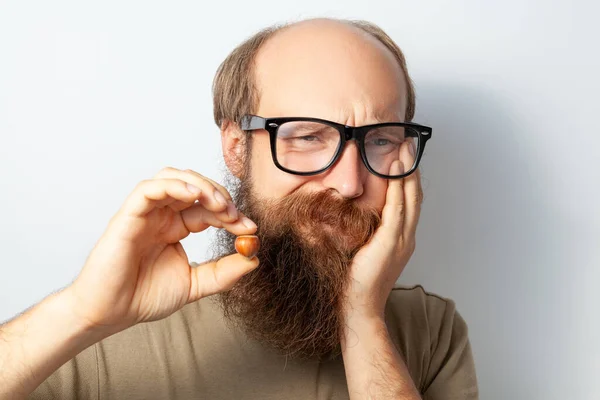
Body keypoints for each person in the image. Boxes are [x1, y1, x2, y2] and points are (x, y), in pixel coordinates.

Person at [0, 18, 478, 400]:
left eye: (380, 139)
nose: (350, 183)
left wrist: (362, 317)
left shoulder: (429, 331)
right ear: (235, 147)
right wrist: (82, 313)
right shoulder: (107, 332)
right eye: (308, 136)